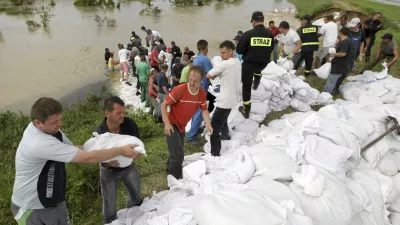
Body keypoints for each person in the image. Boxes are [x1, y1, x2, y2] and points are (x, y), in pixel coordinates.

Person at [11, 97, 140, 225]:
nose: (60, 124)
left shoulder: (51, 130)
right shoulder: (38, 142)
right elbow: (86, 158)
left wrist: (105, 150)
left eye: (59, 119)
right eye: (54, 122)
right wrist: (120, 151)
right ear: (37, 123)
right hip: (32, 207)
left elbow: (76, 149)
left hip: (54, 199)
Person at [95, 96, 142, 224]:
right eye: (118, 113)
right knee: (109, 202)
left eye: (123, 112)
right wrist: (108, 162)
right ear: (107, 113)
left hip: (129, 167)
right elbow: (97, 156)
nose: (122, 115)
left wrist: (137, 153)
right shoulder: (100, 131)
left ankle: (134, 215)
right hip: (108, 170)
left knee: (136, 196)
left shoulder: (129, 124)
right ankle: (110, 221)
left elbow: (137, 143)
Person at [161, 66, 213, 179]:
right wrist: (167, 124)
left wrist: (208, 124)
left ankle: (169, 170)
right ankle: (175, 181)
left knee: (176, 150)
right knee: (178, 156)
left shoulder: (201, 93)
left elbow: (204, 109)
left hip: (181, 126)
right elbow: (163, 104)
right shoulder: (180, 90)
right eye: (190, 80)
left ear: (202, 80)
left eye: (196, 81)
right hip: (172, 123)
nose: (192, 83)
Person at [236, 11, 274, 119]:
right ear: (262, 21)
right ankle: (256, 83)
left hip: (249, 64)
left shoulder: (248, 34)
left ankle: (246, 110)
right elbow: (271, 48)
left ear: (253, 21)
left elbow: (239, 50)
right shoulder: (270, 34)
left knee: (246, 86)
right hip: (263, 64)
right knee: (258, 71)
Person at [206, 40, 241, 156]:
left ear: (231, 51)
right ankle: (225, 136)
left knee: (214, 127)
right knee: (223, 118)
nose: (221, 55)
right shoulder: (237, 62)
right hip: (233, 99)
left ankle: (215, 152)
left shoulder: (224, 64)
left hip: (225, 101)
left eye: (224, 53)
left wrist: (217, 74)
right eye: (220, 53)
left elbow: (209, 75)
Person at [186, 40, 213, 144]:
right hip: (201, 89)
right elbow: (210, 74)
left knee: (195, 110)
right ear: (206, 48)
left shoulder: (196, 58)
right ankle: (191, 137)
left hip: (194, 87)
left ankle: (194, 130)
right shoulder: (205, 60)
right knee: (199, 112)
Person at [323, 27, 352, 95]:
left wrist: (333, 54)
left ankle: (325, 95)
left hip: (339, 65)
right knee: (334, 80)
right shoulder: (344, 41)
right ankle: (333, 92)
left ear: (341, 33)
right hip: (340, 64)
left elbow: (343, 53)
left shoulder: (346, 42)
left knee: (331, 81)